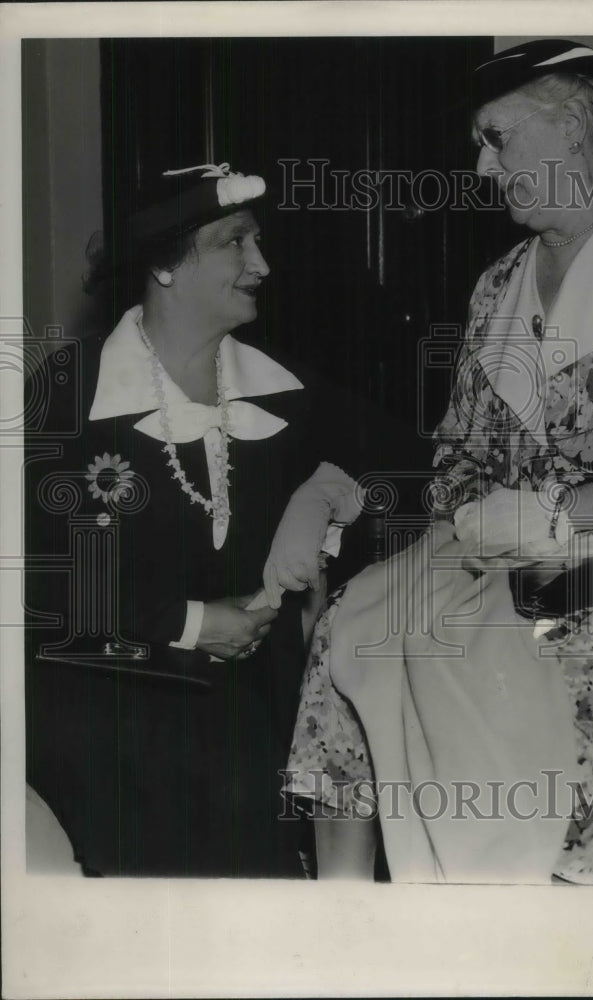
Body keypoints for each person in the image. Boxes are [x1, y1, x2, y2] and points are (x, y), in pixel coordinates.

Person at [284, 40, 593, 884]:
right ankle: (347, 919)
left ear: (572, 129)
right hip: (497, 548)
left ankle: (536, 900)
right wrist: (478, 514)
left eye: (496, 138)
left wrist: (562, 516)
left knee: (537, 621)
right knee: (356, 620)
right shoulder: (496, 283)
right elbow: (460, 458)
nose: (480, 165)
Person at [25, 163, 364, 876]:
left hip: (253, 713)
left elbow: (419, 467)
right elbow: (37, 583)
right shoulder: (67, 393)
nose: (262, 264)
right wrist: (190, 622)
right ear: (163, 265)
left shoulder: (286, 389)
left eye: (259, 242)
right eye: (236, 242)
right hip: (104, 707)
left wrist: (326, 494)